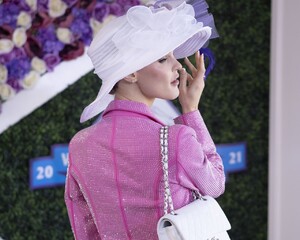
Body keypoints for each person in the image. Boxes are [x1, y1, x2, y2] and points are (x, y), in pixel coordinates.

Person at [64, 1, 226, 239]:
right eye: (162, 59)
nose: (177, 66)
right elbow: (215, 185)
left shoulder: (80, 144)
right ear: (130, 73)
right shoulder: (177, 138)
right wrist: (190, 111)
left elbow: (85, 229)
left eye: (173, 56)